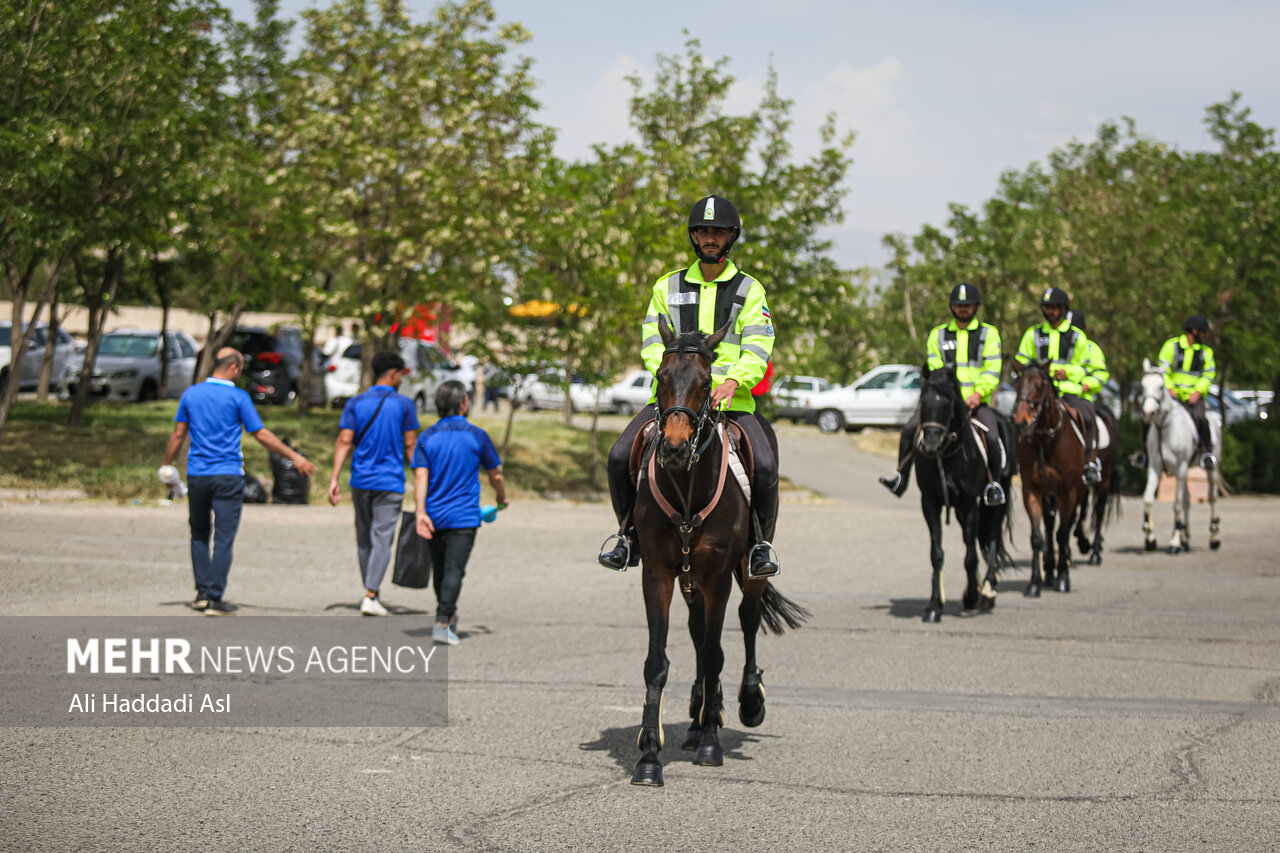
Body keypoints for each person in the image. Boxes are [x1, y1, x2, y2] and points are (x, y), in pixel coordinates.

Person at [598, 194, 780, 578]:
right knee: (618, 457)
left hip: (733, 401)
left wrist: (734, 380)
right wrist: (672, 379)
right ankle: (627, 536)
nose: (710, 238)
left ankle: (760, 546)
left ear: (731, 237)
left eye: (718, 232)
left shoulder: (750, 290)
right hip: (674, 399)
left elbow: (759, 346)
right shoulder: (667, 286)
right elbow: (651, 342)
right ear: (693, 237)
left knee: (764, 466)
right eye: (703, 231)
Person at [162, 347, 317, 615]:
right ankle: (214, 597)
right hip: (228, 475)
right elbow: (261, 434)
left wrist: (167, 465)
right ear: (234, 367)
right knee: (223, 538)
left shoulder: (192, 393)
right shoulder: (238, 397)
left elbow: (178, 434)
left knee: (199, 533)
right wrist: (295, 457)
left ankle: (201, 592)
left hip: (197, 474)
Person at [879, 282, 1007, 505]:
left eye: (967, 305)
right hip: (942, 405)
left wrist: (978, 394)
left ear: (976, 306)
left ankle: (992, 485)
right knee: (909, 430)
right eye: (958, 305)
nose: (963, 309)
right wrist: (949, 398)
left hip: (976, 403)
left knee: (994, 438)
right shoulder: (938, 335)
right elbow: (935, 372)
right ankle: (901, 477)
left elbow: (992, 370)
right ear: (951, 307)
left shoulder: (989, 334)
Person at [412, 380, 507, 645]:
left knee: (440, 570)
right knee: (454, 570)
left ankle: (448, 615)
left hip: (433, 515)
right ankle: (442, 623)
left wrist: (420, 512)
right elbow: (495, 474)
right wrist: (501, 497)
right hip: (464, 516)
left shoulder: (426, 437)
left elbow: (421, 477)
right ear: (463, 403)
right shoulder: (477, 436)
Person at [328, 350, 420, 616]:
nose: (402, 379)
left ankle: (371, 591)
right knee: (382, 539)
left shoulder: (356, 403)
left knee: (364, 538)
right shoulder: (403, 404)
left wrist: (334, 477)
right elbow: (411, 444)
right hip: (389, 482)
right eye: (401, 374)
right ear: (393, 374)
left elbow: (344, 440)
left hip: (360, 480)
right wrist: (421, 479)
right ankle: (371, 594)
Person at [1014, 287, 1101, 485]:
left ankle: (1090, 463)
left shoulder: (1077, 336)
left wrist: (1068, 372)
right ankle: (1016, 462)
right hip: (1039, 393)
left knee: (1088, 417)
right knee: (1016, 417)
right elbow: (1022, 361)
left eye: (1054, 307)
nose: (1050, 311)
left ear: (1063, 309)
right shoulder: (1032, 334)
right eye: (1047, 307)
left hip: (1069, 392)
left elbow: (1086, 367)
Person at [1134, 315, 1218, 470]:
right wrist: (1169, 387)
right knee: (1148, 417)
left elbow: (1208, 375)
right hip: (1172, 397)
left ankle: (1207, 454)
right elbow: (1162, 371)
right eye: (1204, 332)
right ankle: (1145, 454)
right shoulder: (1171, 346)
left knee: (1201, 419)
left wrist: (1198, 391)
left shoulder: (1206, 352)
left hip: (1193, 398)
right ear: (1195, 331)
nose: (1206, 335)